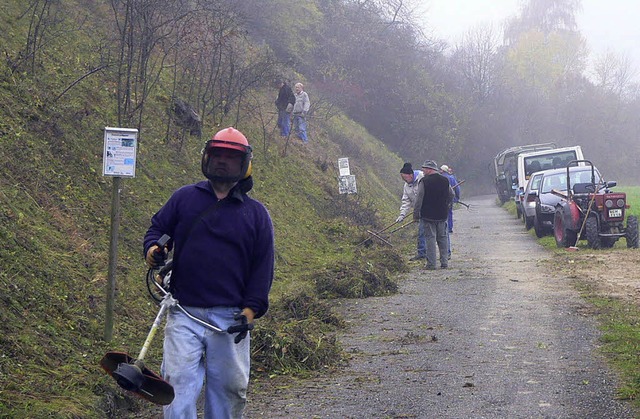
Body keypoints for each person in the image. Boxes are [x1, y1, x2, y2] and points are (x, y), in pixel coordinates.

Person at [143, 127, 275, 418]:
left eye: (230, 157)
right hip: (184, 312)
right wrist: (154, 250)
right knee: (176, 388)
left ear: (244, 165)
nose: (222, 162)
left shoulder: (256, 215)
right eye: (217, 155)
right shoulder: (184, 198)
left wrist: (250, 311)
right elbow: (157, 229)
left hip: (230, 320)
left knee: (229, 391)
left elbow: (262, 268)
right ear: (206, 158)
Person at [414, 160, 453, 270]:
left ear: (429, 169)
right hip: (442, 214)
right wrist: (447, 205)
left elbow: (419, 199)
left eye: (424, 169)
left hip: (428, 215)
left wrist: (416, 214)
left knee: (430, 239)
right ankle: (444, 262)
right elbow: (451, 194)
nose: (423, 170)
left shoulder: (424, 181)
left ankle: (431, 264)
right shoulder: (445, 180)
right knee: (442, 238)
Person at [396, 162, 426, 260]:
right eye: (402, 178)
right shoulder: (407, 186)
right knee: (421, 232)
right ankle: (422, 253)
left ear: (411, 175)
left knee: (437, 232)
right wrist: (402, 215)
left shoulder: (423, 178)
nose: (404, 180)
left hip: (429, 208)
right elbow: (406, 201)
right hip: (419, 211)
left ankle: (445, 253)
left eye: (405, 177)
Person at [440, 164, 460, 233]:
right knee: (449, 213)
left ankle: (443, 229)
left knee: (441, 213)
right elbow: (457, 189)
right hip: (450, 198)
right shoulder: (451, 178)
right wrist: (457, 197)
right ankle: (449, 228)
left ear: (442, 171)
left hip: (440, 199)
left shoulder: (439, 178)